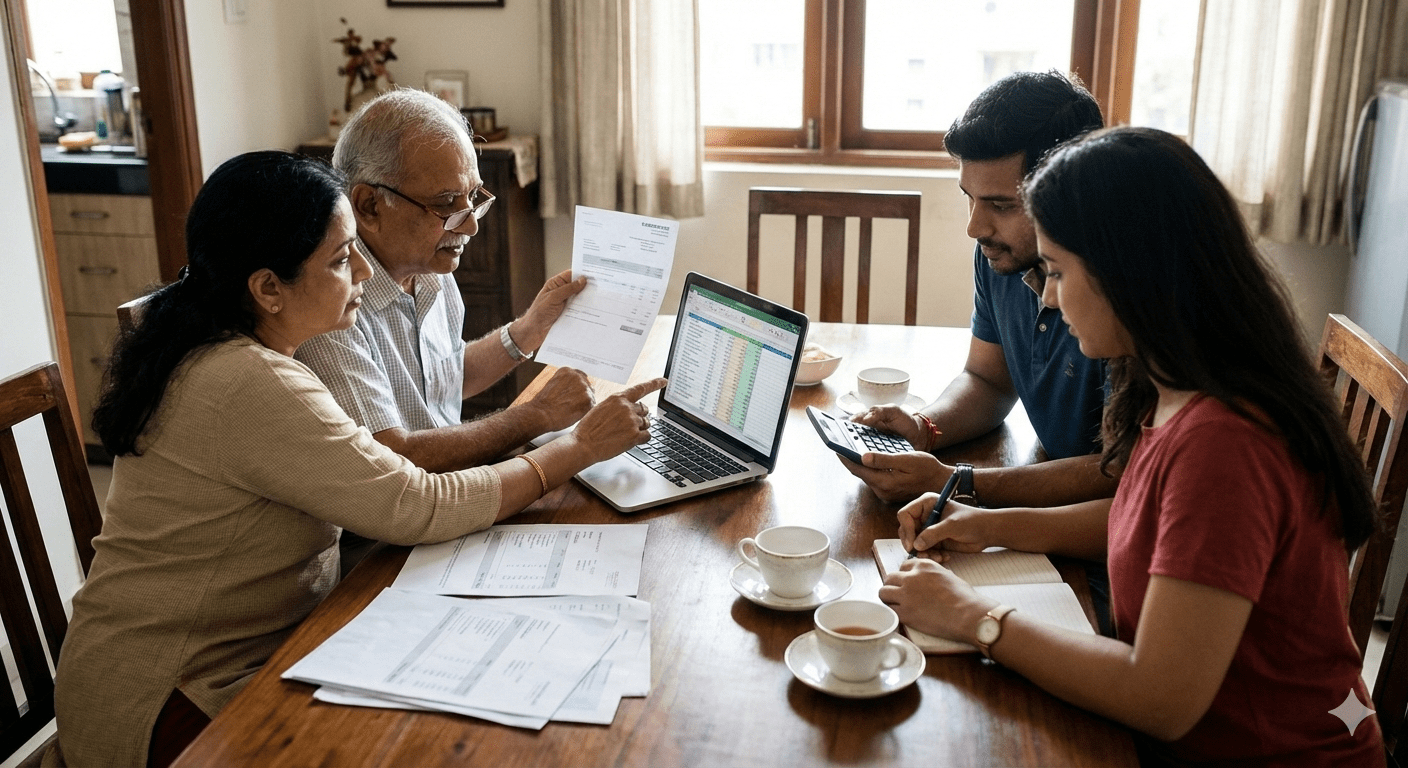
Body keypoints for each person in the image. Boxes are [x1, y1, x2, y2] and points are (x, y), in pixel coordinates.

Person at [53, 151, 663, 768]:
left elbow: (405, 447)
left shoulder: (225, 345)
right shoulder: (246, 381)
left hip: (246, 649)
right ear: (267, 288)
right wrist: (575, 449)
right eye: (344, 261)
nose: (363, 277)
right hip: (167, 692)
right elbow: (414, 503)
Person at [881, 127, 1384, 765]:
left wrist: (975, 616)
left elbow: (1160, 699)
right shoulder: (1179, 380)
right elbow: (1144, 521)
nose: (1052, 297)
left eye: (1059, 270)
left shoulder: (1223, 443)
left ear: (1129, 273)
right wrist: (986, 525)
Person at [843, 70, 1114, 510]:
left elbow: (1125, 477)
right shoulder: (1001, 253)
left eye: (1002, 205)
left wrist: (957, 483)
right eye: (969, 197)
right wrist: (922, 426)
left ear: (1068, 191)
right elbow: (988, 379)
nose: (975, 227)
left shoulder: (1126, 294)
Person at [296, 88, 593, 476]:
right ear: (368, 205)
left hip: (449, 492)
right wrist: (538, 414)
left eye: (472, 196)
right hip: (396, 522)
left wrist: (529, 328)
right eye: (446, 202)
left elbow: (446, 381)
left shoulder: (427, 268)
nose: (469, 224)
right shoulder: (329, 304)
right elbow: (392, 458)